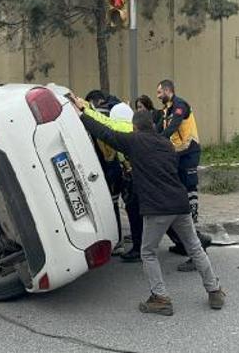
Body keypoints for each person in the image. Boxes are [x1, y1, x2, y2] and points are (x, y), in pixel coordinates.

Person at [73, 96, 226, 315]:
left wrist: (82, 113)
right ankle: (215, 290)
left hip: (157, 208)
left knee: (148, 252)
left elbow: (105, 132)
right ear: (152, 126)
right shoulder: (165, 143)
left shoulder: (134, 141)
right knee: (194, 247)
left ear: (135, 127)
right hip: (180, 204)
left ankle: (160, 297)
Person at [155, 80, 211, 272]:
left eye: (160, 91)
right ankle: (184, 243)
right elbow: (161, 128)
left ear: (168, 90)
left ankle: (198, 250)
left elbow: (173, 127)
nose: (158, 95)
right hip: (178, 155)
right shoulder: (166, 110)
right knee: (179, 195)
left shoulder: (180, 106)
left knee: (189, 193)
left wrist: (158, 140)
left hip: (189, 153)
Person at [77, 98, 141, 262]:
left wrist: (85, 112)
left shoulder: (121, 128)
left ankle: (127, 244)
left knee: (129, 211)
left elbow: (104, 127)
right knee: (140, 213)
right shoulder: (132, 128)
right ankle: (139, 244)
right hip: (135, 178)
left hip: (129, 178)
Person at [85, 90, 125, 252]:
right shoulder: (114, 112)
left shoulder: (99, 116)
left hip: (109, 168)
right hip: (117, 167)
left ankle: (117, 241)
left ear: (96, 102)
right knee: (114, 205)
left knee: (112, 206)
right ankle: (119, 239)